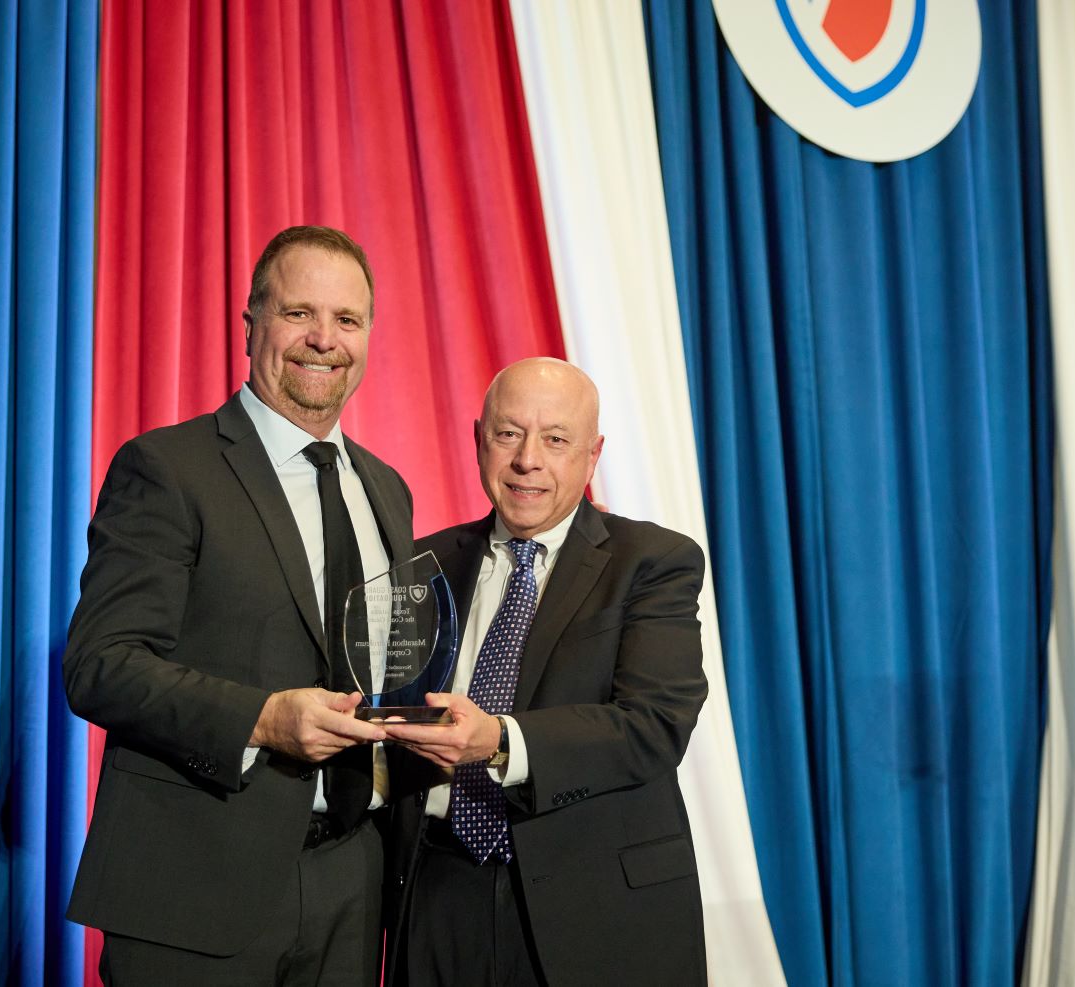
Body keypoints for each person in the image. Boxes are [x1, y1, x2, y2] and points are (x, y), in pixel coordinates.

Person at [64, 226, 414, 985]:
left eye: (347, 320)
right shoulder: (167, 468)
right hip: (195, 883)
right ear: (251, 323)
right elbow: (99, 665)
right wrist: (262, 720)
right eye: (298, 313)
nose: (324, 339)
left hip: (351, 881)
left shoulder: (386, 487)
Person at [382, 357, 708, 986]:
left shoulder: (653, 561)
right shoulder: (422, 564)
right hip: (438, 896)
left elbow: (655, 724)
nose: (528, 459)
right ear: (480, 439)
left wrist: (502, 740)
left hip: (592, 908)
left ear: (593, 455)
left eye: (556, 439)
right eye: (508, 434)